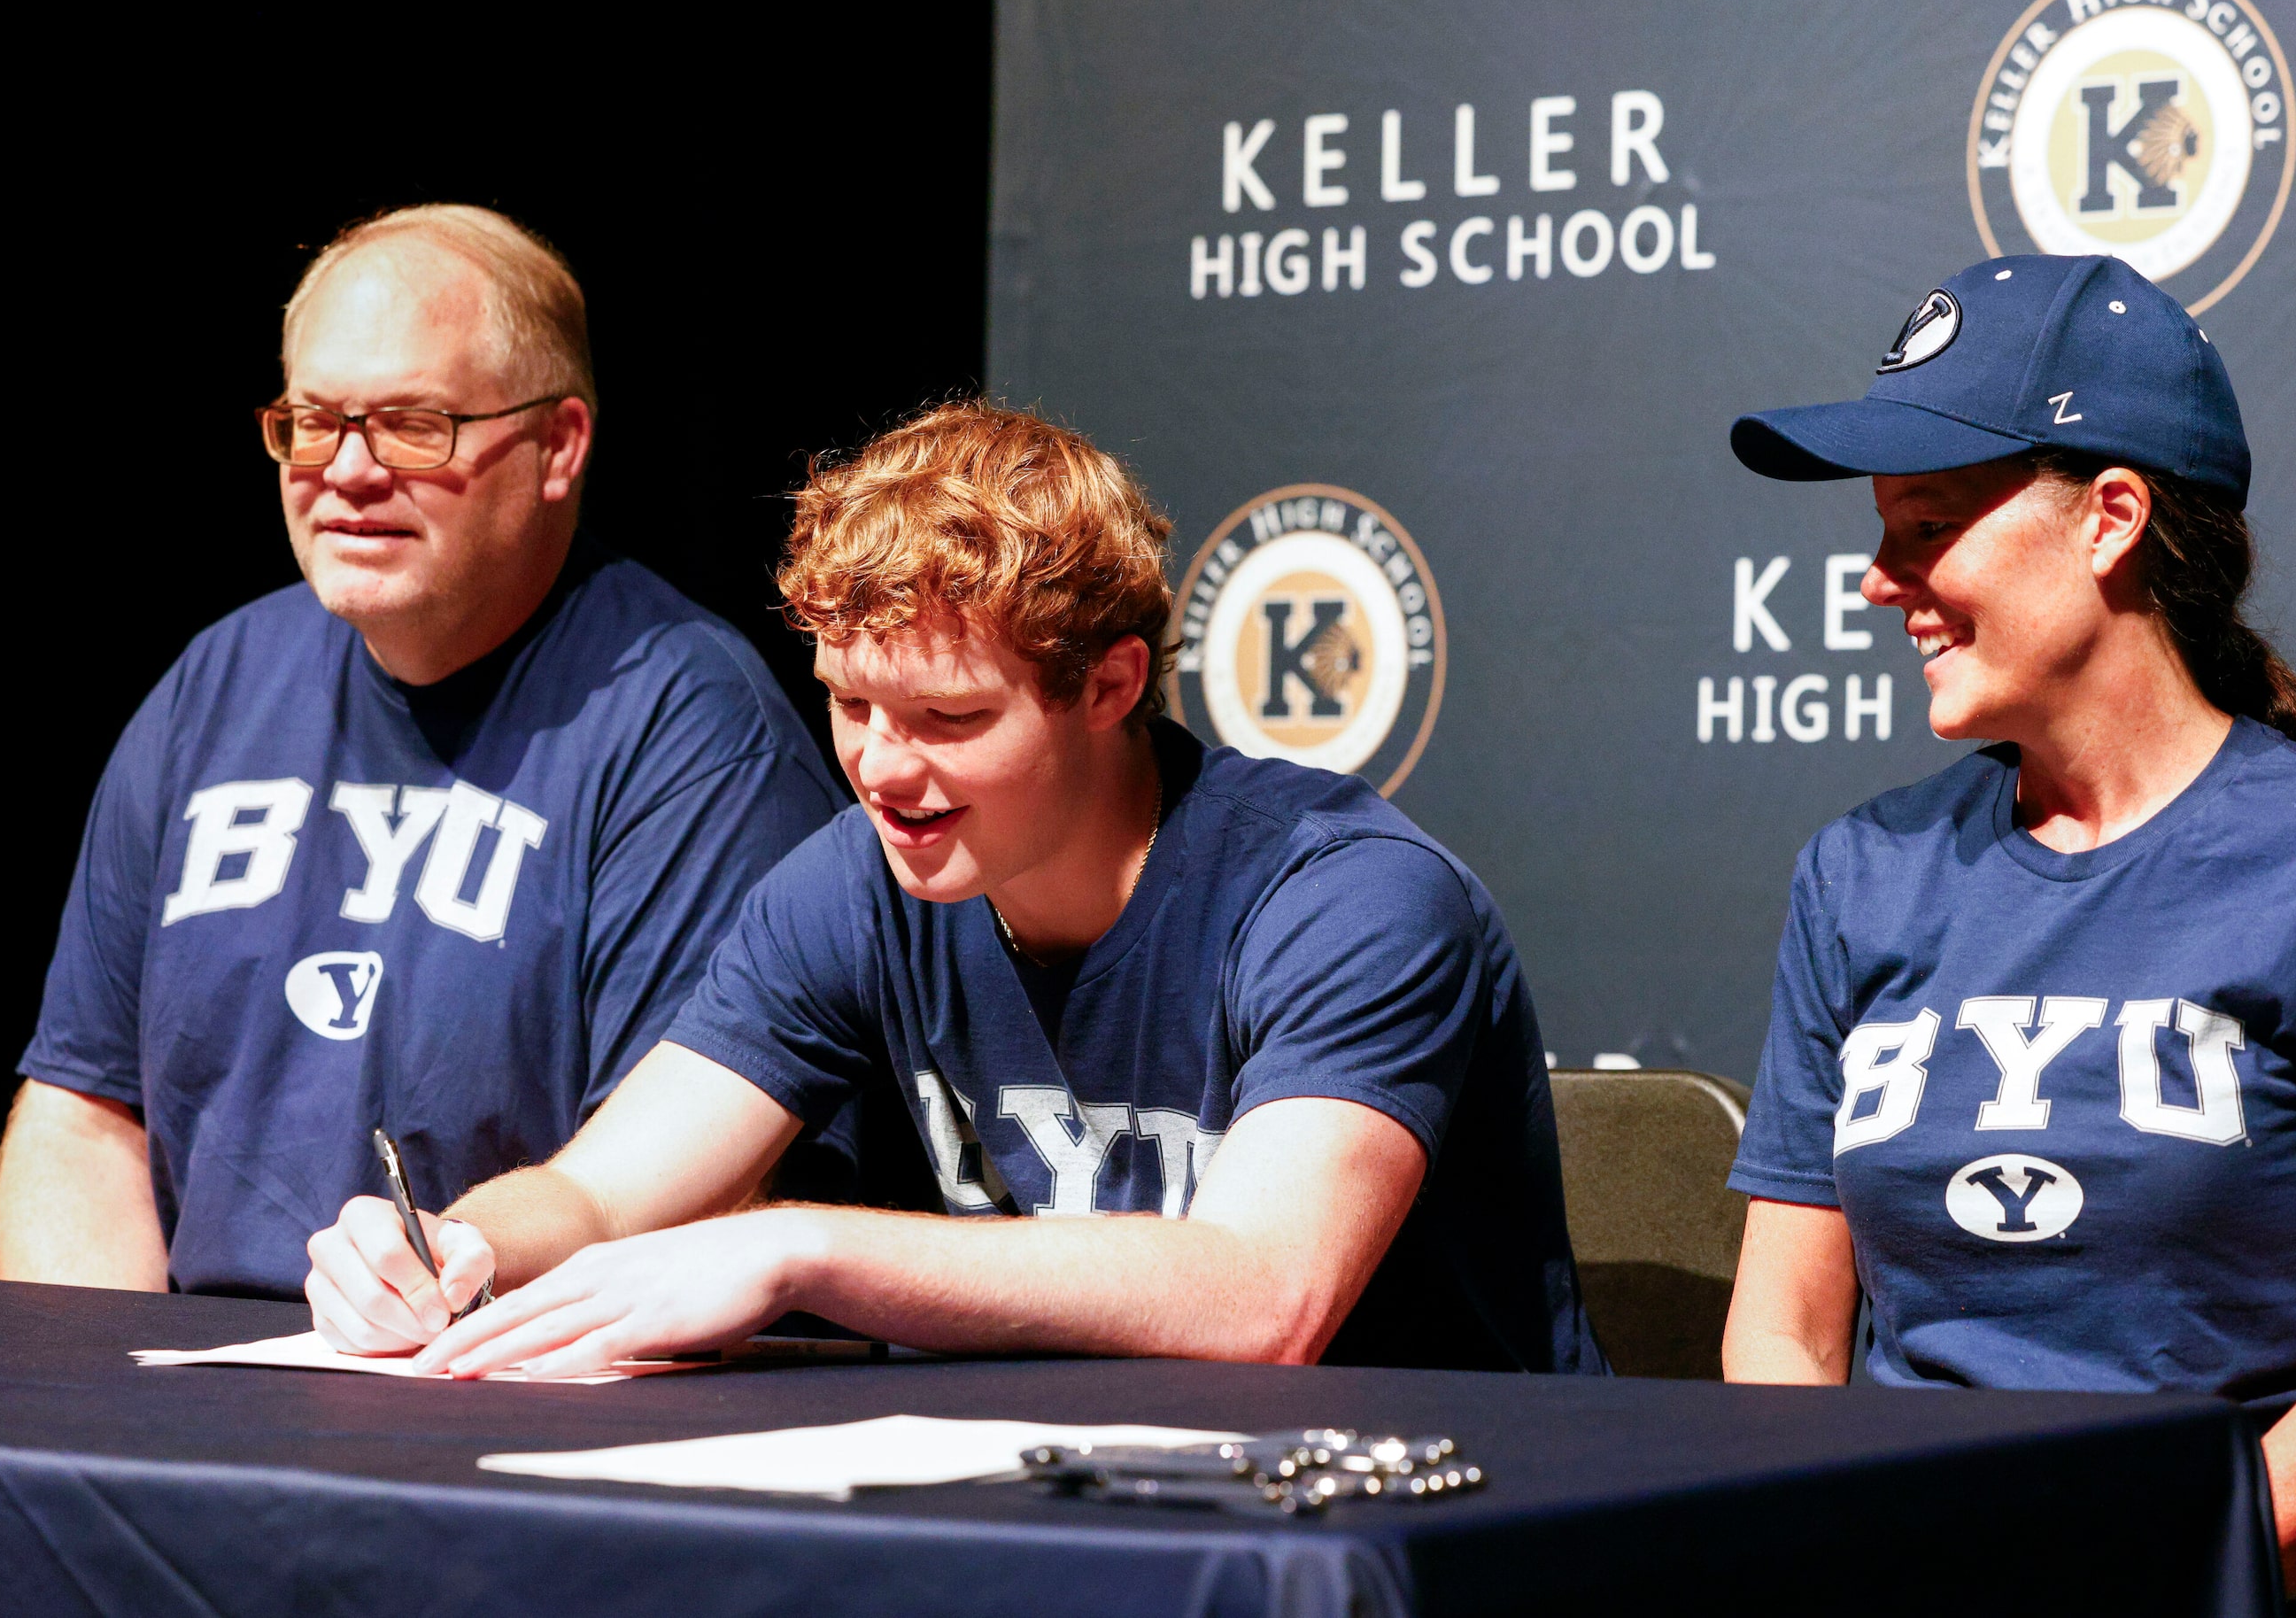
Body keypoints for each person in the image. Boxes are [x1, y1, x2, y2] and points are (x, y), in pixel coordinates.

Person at [302, 400, 1599, 1377]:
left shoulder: (1347, 898)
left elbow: (1264, 1298)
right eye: (851, 703)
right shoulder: (857, 882)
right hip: (1075, 1504)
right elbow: (598, 1193)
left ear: (1111, 686)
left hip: (1425, 1524)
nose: (883, 767)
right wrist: (458, 1245)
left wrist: (793, 1245)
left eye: (950, 716)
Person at [0, 205, 869, 1304]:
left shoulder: (687, 724)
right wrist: (103, 1406)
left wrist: (424, 1302)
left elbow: (689, 1188)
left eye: (412, 424)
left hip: (491, 1385)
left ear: (559, 447)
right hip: (191, 1402)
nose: (347, 471)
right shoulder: (215, 683)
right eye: (312, 421)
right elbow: (83, 1115)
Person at [1718, 254, 2296, 1600]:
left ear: (2110, 518)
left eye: (1926, 525)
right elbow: (1784, 1336)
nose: (1879, 579)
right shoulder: (1859, 872)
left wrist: (2122, 1574)